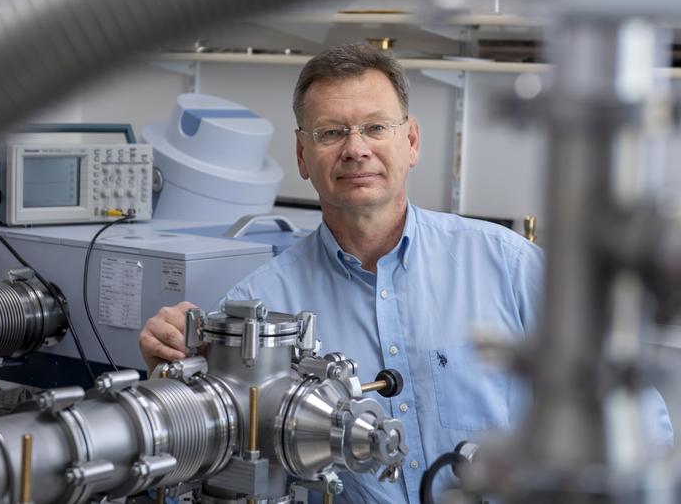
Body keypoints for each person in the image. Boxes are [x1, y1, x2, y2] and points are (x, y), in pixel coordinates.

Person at [139, 43, 671, 503]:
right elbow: (202, 450)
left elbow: (635, 418)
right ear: (303, 156)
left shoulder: (505, 265)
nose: (356, 149)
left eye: (375, 127)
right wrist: (166, 374)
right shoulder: (260, 307)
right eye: (330, 132)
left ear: (411, 142)